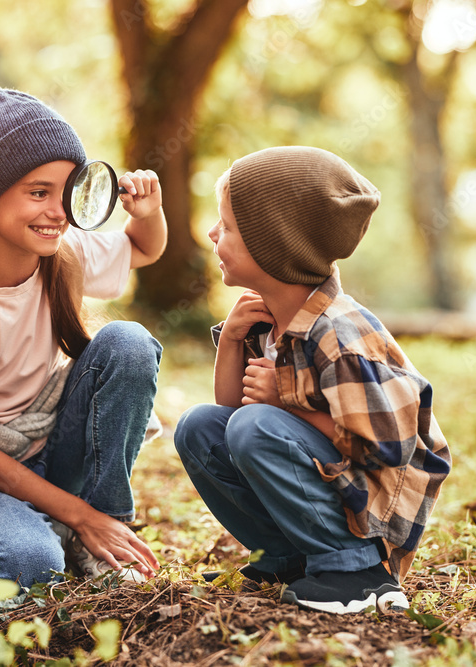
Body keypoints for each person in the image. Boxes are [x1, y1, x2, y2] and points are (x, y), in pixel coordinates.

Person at [0, 88, 166, 588]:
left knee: (129, 342)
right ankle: (52, 527)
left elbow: (142, 250)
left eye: (67, 193)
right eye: (38, 193)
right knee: (33, 563)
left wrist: (147, 214)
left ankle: (103, 532)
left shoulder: (65, 250)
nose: (58, 211)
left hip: (52, 437)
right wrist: (76, 513)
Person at [174, 146, 452, 614]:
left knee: (254, 426)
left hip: (374, 515)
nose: (211, 232)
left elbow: (385, 448)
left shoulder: (340, 338)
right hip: (334, 485)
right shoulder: (267, 319)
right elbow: (230, 410)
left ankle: (358, 574)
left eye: (228, 227)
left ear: (273, 247)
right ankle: (286, 559)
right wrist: (230, 342)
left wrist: (285, 404)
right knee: (199, 426)